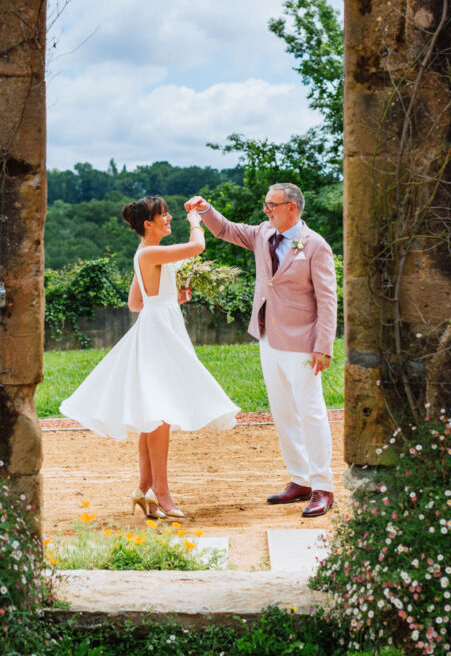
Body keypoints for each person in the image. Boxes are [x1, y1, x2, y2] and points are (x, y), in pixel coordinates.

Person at [59, 196, 239, 519]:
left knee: (153, 415)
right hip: (159, 334)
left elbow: (135, 303)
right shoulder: (151, 251)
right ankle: (162, 492)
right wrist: (196, 220)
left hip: (159, 324)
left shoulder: (144, 255)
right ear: (148, 224)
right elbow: (197, 246)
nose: (169, 218)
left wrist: (172, 299)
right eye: (164, 215)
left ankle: (143, 491)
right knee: (161, 415)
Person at [185, 184, 337, 518]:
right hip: (268, 338)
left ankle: (323, 486)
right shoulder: (263, 233)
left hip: (303, 343)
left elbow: (328, 300)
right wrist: (206, 209)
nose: (265, 210)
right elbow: (225, 230)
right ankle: (300, 480)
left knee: (311, 412)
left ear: (292, 208)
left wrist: (323, 346)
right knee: (282, 411)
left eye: (271, 205)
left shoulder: (316, 246)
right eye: (266, 204)